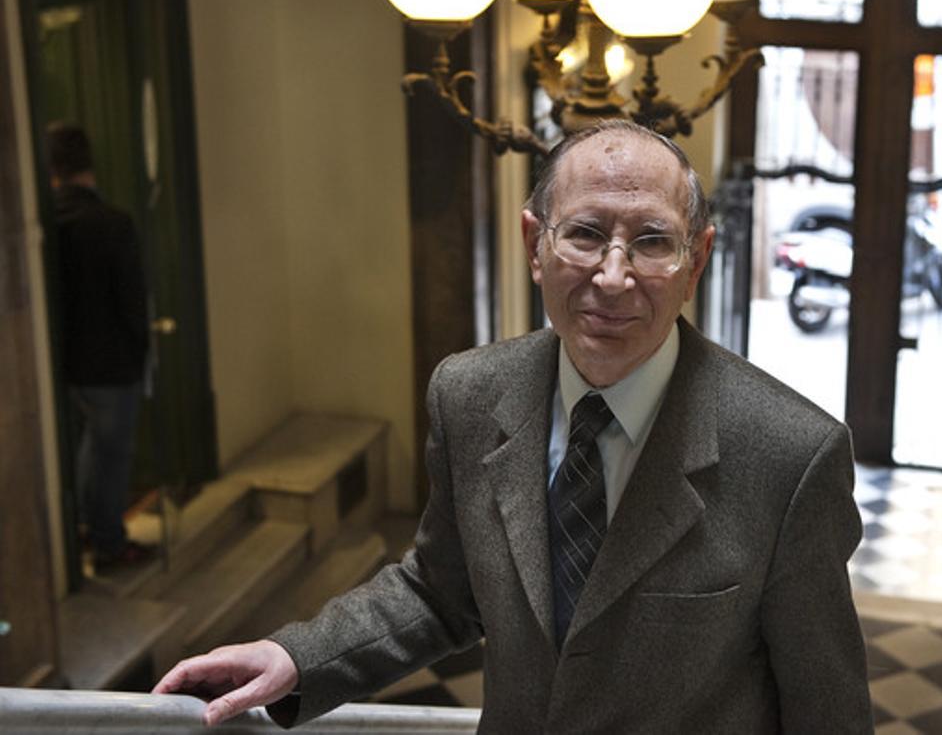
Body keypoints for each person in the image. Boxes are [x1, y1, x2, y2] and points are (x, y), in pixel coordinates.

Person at [153, 120, 872, 732]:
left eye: (653, 242)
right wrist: (297, 657)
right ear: (535, 245)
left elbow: (827, 713)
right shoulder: (468, 395)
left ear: (697, 260)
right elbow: (442, 591)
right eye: (585, 235)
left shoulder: (789, 455)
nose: (613, 277)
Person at [47, 123, 153, 572]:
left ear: (54, 170)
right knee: (110, 456)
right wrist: (141, 353)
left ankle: (86, 531)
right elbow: (133, 300)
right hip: (112, 364)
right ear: (90, 164)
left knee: (90, 449)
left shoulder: (50, 227)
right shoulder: (112, 223)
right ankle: (108, 541)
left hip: (67, 366)